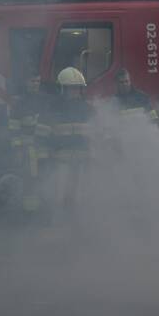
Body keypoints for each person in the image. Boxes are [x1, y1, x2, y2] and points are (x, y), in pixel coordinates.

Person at [45, 67, 95, 218]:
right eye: (71, 89)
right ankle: (58, 222)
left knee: (79, 196)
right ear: (62, 89)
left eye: (77, 88)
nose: (74, 92)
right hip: (61, 159)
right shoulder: (53, 108)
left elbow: (96, 134)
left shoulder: (88, 109)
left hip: (82, 159)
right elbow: (46, 134)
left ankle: (78, 224)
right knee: (59, 195)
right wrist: (49, 153)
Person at [8, 74, 51, 219]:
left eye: (38, 81)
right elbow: (14, 129)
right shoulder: (20, 104)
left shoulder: (45, 100)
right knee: (29, 183)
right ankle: (29, 214)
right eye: (32, 81)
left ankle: (44, 212)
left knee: (46, 180)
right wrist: (18, 149)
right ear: (26, 82)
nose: (35, 84)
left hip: (44, 150)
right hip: (27, 151)